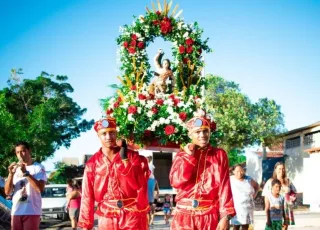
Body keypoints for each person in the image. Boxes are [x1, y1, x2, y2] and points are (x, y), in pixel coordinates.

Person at [78, 117, 150, 230]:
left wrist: (125, 159)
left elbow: (138, 185)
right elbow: (87, 195)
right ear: (98, 136)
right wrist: (86, 225)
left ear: (116, 134)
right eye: (104, 134)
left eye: (112, 133)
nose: (108, 137)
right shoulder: (92, 164)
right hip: (106, 217)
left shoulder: (133, 156)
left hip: (132, 215)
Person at [169, 112, 236, 230]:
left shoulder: (219, 154)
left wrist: (225, 216)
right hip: (183, 217)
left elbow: (225, 186)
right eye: (197, 132)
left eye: (205, 131)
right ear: (190, 135)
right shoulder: (182, 155)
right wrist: (189, 157)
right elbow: (176, 182)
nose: (202, 135)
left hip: (209, 216)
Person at [4, 141, 47, 230]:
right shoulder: (15, 169)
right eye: (17, 152)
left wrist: (26, 173)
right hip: (16, 211)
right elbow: (7, 192)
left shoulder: (39, 167)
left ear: (29, 151)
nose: (20, 155)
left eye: (23, 151)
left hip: (32, 211)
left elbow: (40, 189)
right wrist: (11, 174)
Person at [262, 162, 297, 230]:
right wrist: (268, 212)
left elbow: (294, 191)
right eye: (279, 168)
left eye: (283, 169)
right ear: (275, 169)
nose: (281, 170)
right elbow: (266, 196)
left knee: (284, 227)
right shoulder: (270, 181)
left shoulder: (288, 181)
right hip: (275, 209)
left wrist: (293, 197)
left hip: (287, 208)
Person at [230, 164, 259, 230]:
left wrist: (254, 196)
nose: (239, 173)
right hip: (236, 207)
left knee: (245, 226)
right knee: (236, 226)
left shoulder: (248, 179)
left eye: (241, 171)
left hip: (247, 207)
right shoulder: (231, 179)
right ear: (233, 172)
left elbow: (257, 186)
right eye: (237, 171)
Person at [146, 155, 156, 225]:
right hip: (150, 180)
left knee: (149, 196)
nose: (147, 159)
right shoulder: (149, 165)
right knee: (149, 194)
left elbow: (151, 173)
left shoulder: (151, 165)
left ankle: (150, 219)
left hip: (150, 180)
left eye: (148, 158)